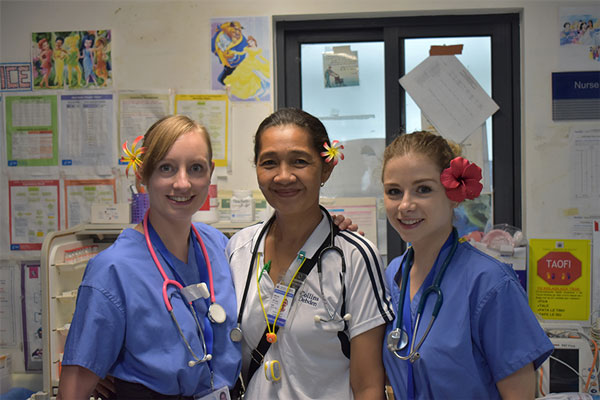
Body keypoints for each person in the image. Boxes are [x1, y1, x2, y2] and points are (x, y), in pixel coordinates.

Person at [57, 115, 242, 399]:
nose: (183, 183)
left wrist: (330, 227)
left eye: (196, 168)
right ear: (142, 175)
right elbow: (73, 391)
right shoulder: (113, 270)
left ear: (210, 173)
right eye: (166, 168)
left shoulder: (217, 244)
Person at [226, 108, 394, 399]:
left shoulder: (354, 257)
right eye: (269, 163)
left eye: (299, 162)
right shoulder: (239, 249)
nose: (283, 176)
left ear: (325, 168)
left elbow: (368, 385)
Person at [380, 131, 553, 399]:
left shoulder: (489, 283)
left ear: (454, 195)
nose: (404, 205)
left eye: (423, 189)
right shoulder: (394, 274)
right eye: (394, 191)